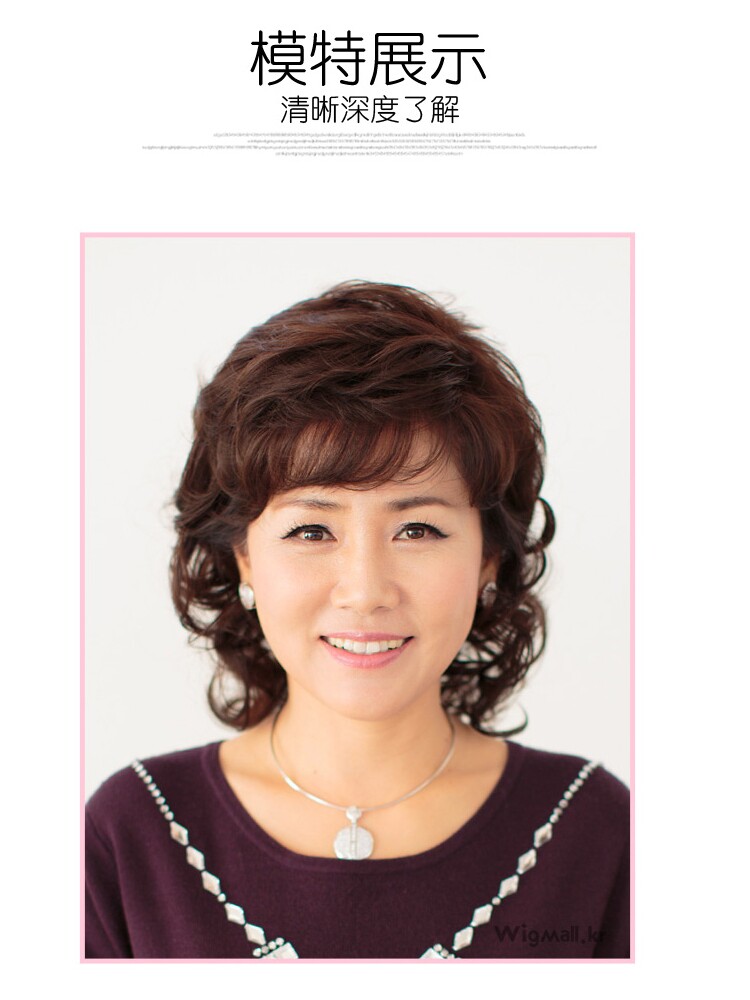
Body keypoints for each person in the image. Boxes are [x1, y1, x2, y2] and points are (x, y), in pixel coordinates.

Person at [85, 280, 630, 960]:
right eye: (312, 530)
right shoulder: (130, 835)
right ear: (244, 558)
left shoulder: (597, 832)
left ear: (489, 557)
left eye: (418, 530)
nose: (366, 591)